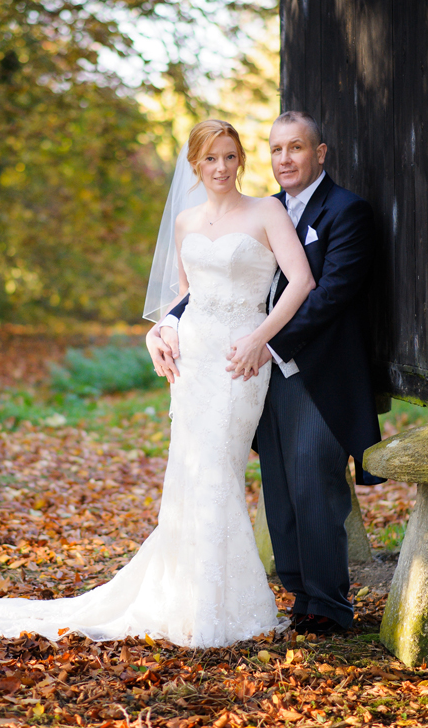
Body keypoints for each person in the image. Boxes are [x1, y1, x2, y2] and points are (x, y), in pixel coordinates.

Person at [0, 119, 316, 647]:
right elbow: (185, 298)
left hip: (239, 361)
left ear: (241, 160)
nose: (220, 168)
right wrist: (163, 330)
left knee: (217, 471)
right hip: (193, 364)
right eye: (209, 159)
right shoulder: (185, 222)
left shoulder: (266, 211)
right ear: (195, 166)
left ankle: (219, 606)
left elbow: (301, 282)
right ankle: (189, 600)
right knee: (189, 471)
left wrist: (260, 339)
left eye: (229, 157)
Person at [147, 111, 382, 636]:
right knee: (278, 486)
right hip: (253, 370)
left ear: (319, 153)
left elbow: (330, 294)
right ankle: (299, 594)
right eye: (277, 150)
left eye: (296, 148)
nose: (285, 159)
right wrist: (163, 328)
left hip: (314, 372)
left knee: (315, 482)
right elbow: (202, 293)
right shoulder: (263, 209)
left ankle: (327, 604)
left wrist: (265, 340)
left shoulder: (347, 212)